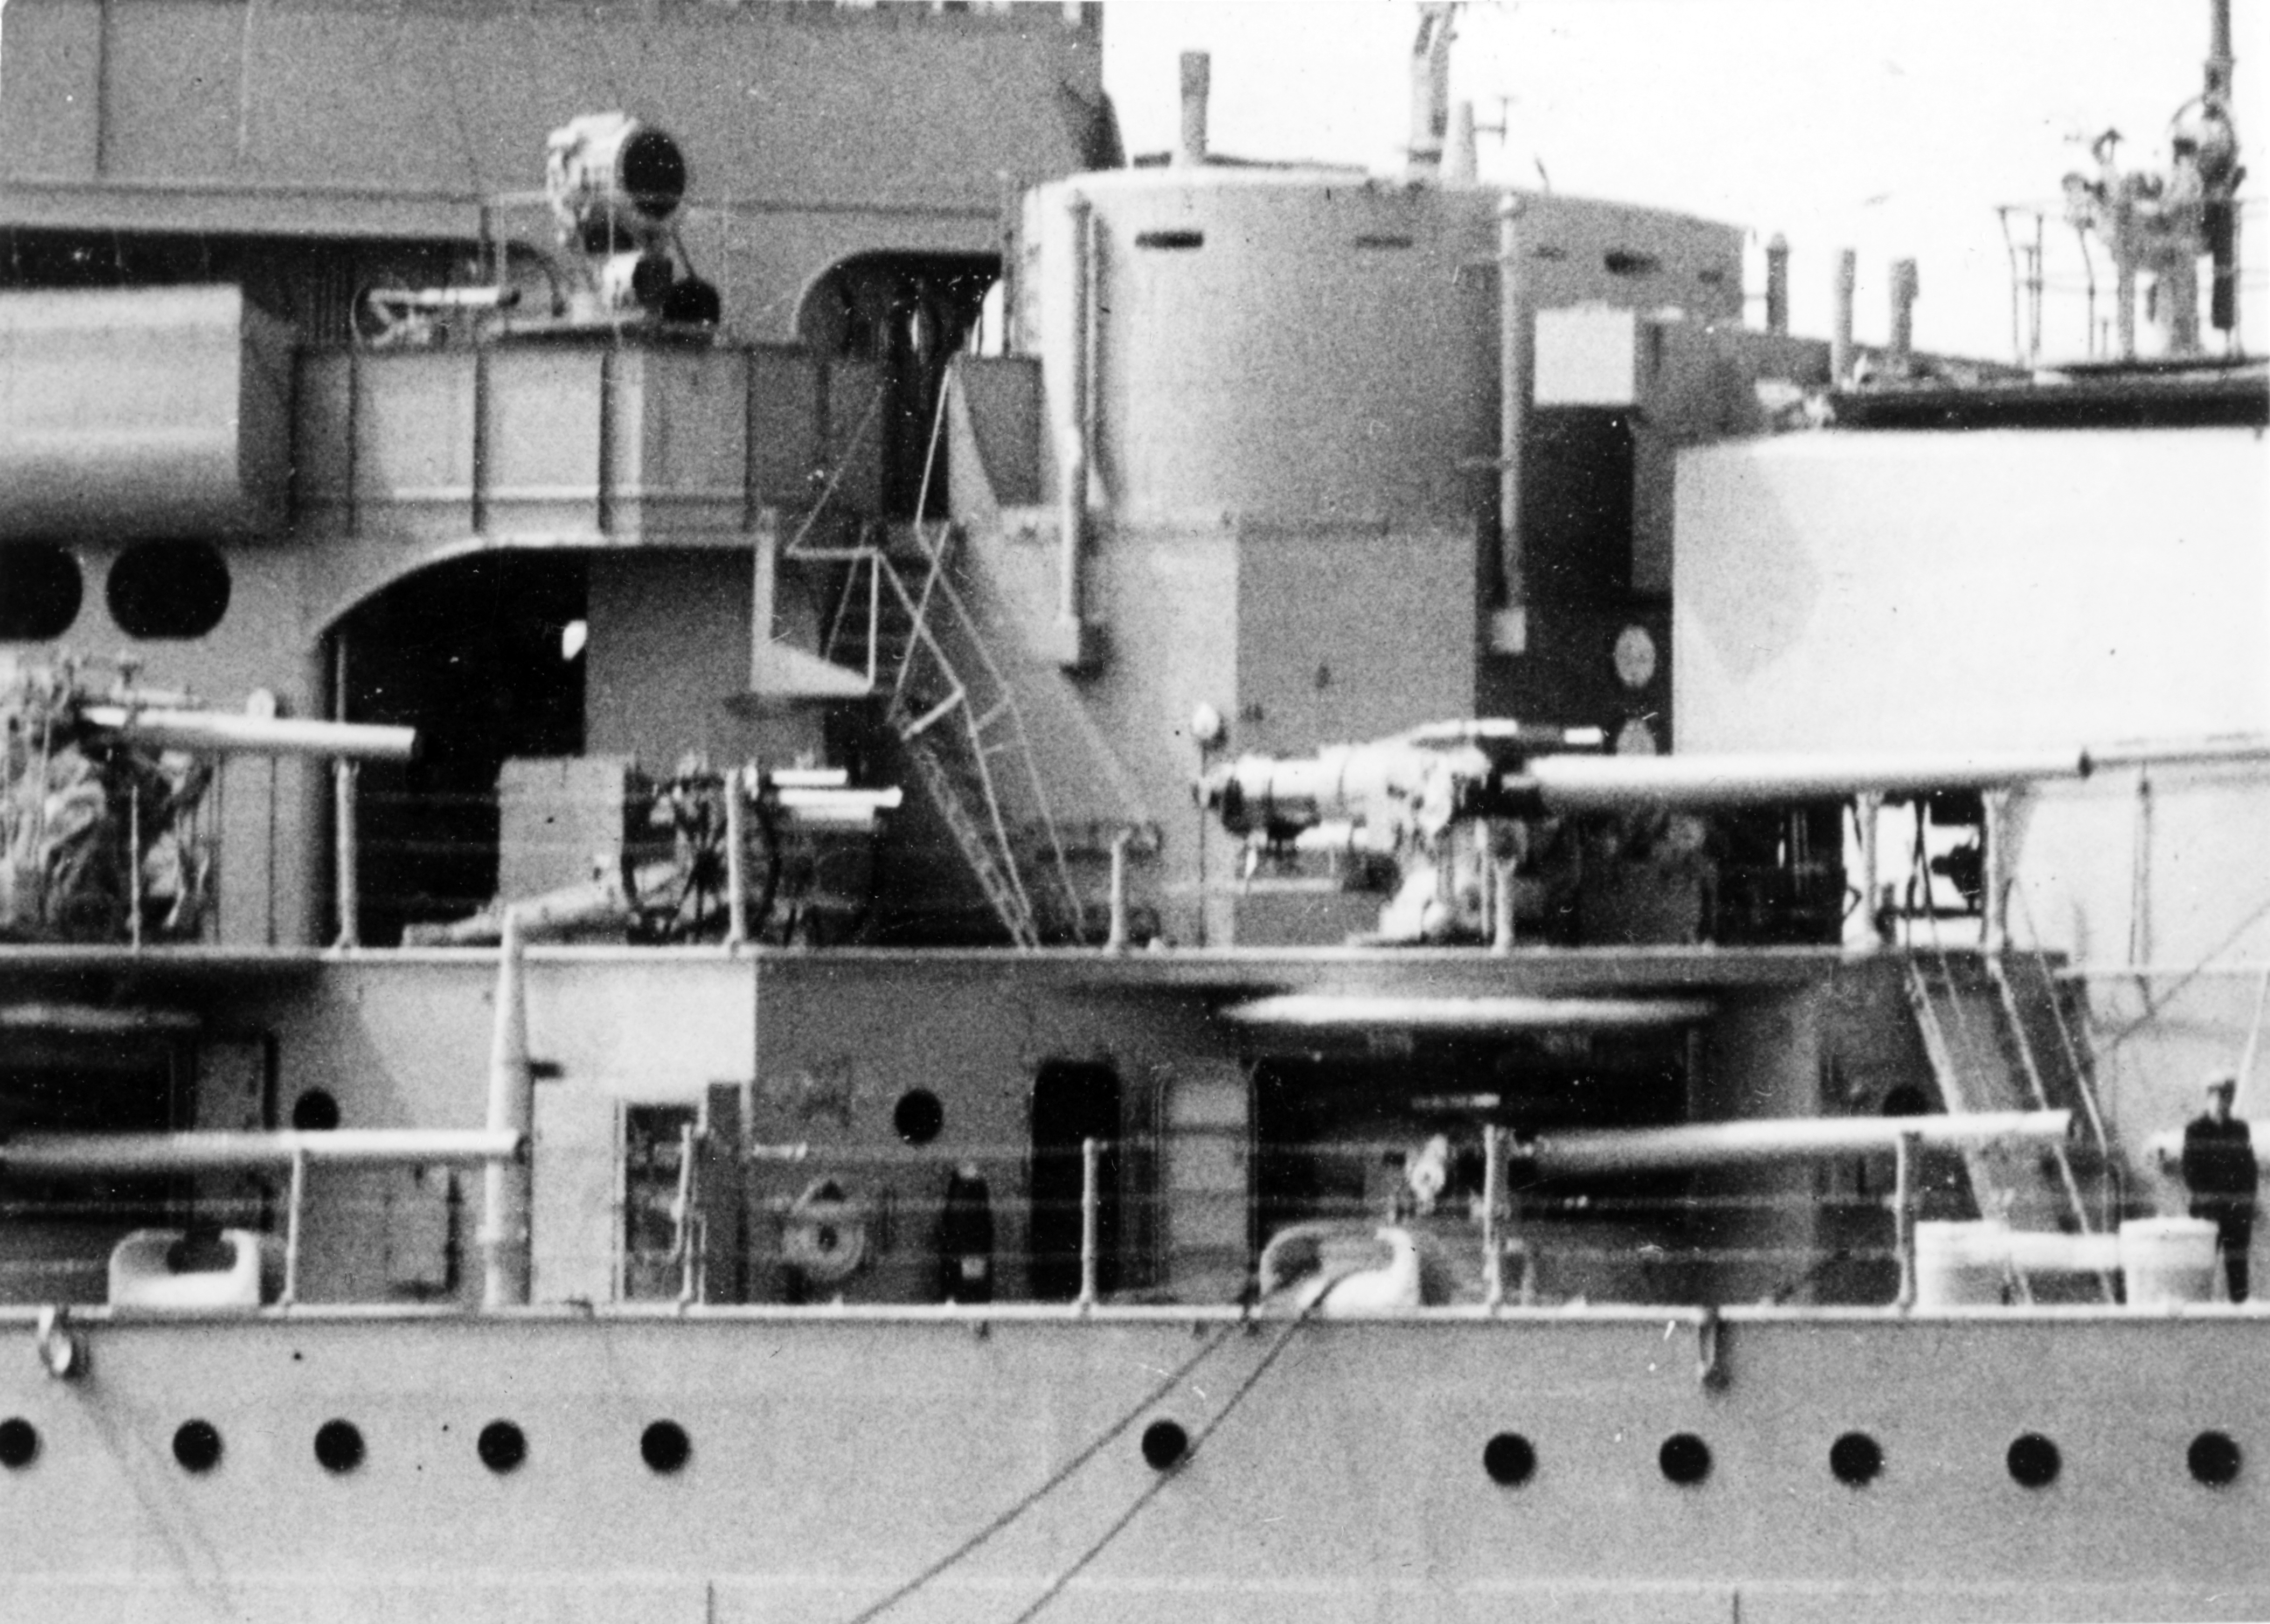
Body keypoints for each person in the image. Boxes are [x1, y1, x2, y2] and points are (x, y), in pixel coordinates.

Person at [2182, 1071, 2258, 1302]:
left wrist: (2247, 1201)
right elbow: (2191, 1172)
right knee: (2201, 1269)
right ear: (2209, 1098)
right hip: (2207, 1212)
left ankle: (2239, 1313)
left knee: (2237, 1270)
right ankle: (2197, 1313)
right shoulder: (2196, 1130)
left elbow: (2249, 1170)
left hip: (2235, 1212)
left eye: (2226, 1097)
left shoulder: (2239, 1130)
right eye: (2217, 1096)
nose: (2222, 1102)